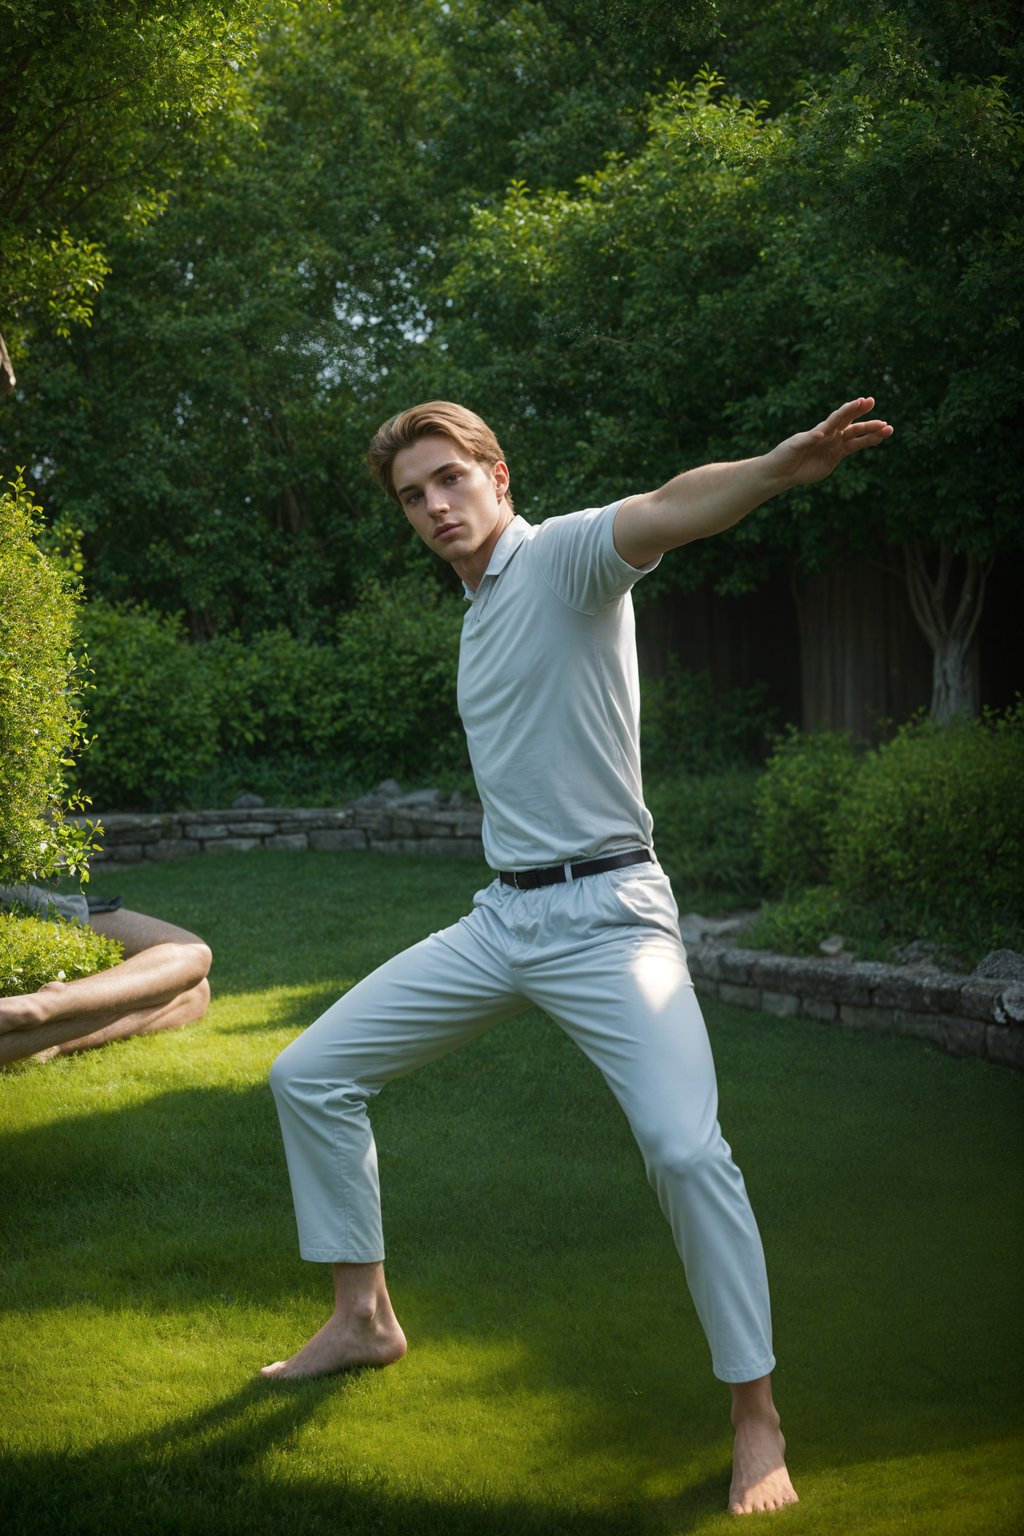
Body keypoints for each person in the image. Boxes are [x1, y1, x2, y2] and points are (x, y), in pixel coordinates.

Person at [262, 395, 893, 1515]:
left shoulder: (558, 559)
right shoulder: (477, 612)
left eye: (451, 479)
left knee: (686, 1153)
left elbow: (661, 511)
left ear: (497, 477)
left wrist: (774, 470)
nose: (435, 506)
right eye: (413, 496)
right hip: (504, 921)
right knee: (308, 1073)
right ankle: (363, 1320)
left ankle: (757, 1419)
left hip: (609, 919)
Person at [0, 905, 212, 1066]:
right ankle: (41, 1010)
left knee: (196, 991)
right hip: (20, 901)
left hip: (30, 901)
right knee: (194, 959)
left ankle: (41, 1026)